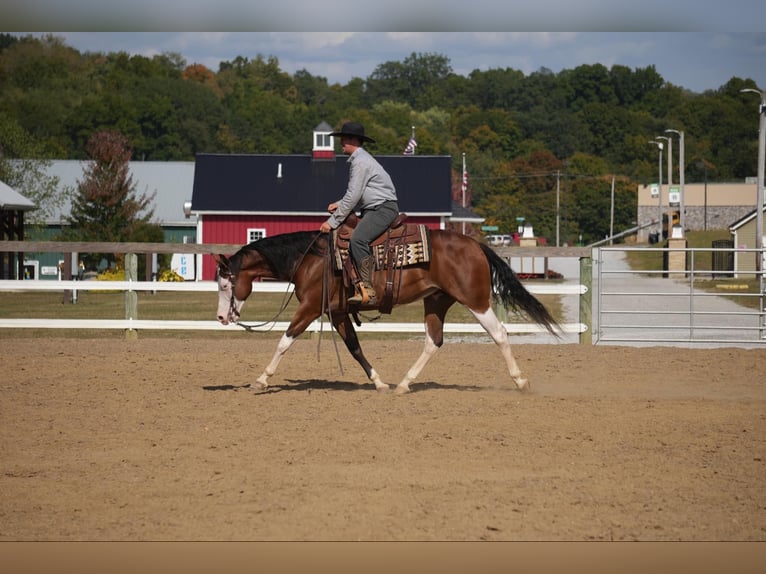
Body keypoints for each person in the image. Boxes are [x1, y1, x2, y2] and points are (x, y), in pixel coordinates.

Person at [319, 121, 399, 304]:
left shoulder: (361, 162)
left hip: (382, 208)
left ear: (354, 140)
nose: (341, 143)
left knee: (358, 240)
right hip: (375, 207)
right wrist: (339, 204)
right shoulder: (361, 160)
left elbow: (354, 195)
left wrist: (331, 222)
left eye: (344, 139)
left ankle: (368, 290)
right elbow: (359, 193)